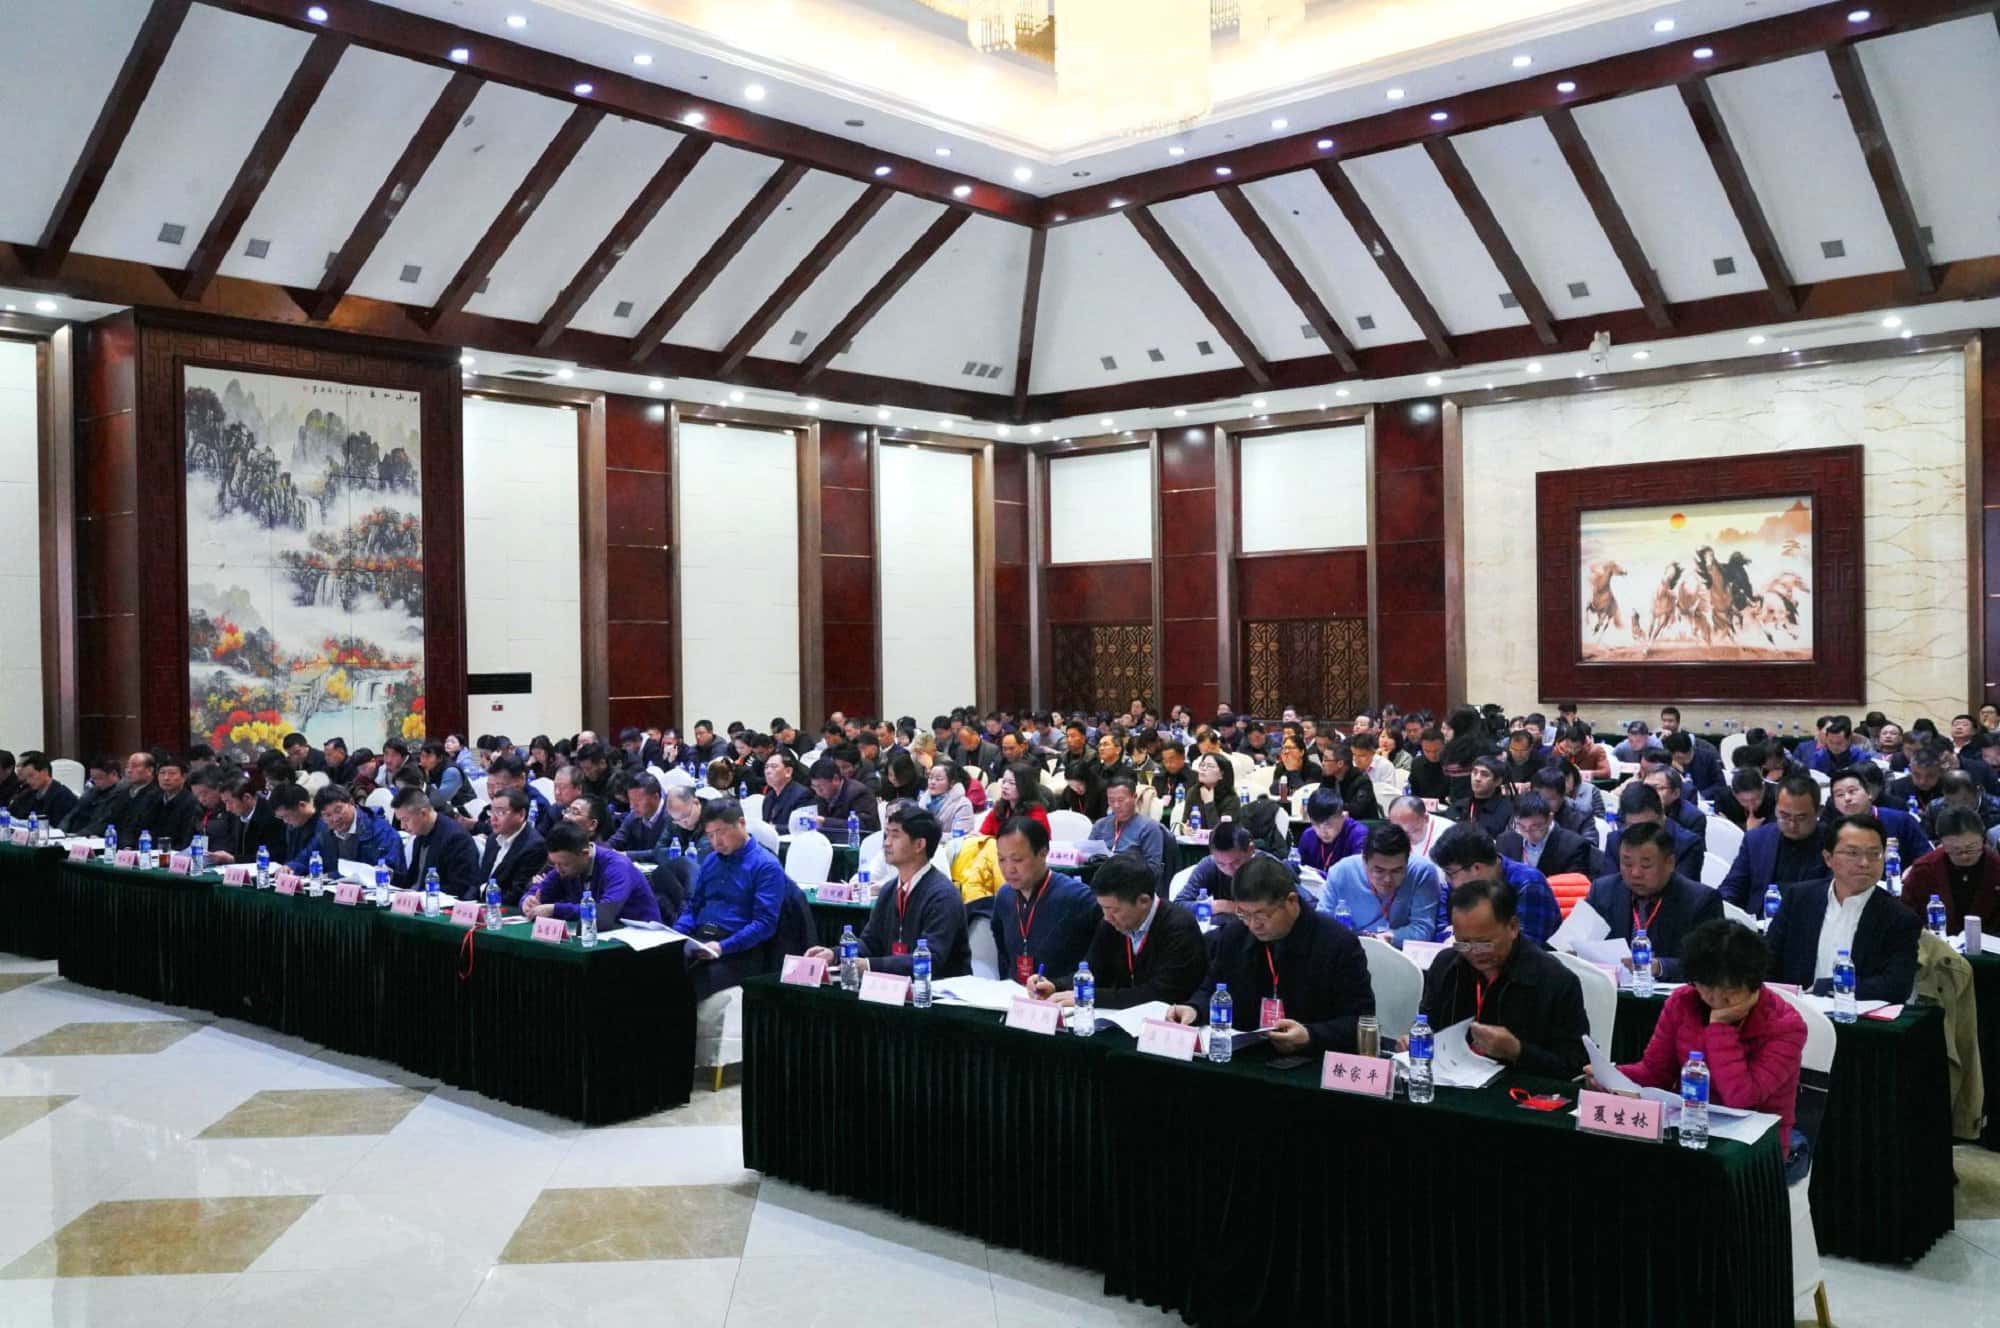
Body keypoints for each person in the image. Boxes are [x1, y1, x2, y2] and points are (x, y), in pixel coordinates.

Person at [1605, 919, 1809, 1174]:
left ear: (1753, 982)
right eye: (1707, 987)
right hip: (1689, 1129)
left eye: (1730, 990)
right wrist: (1611, 1075)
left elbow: (1741, 1098)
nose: (1716, 998)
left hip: (1754, 1150)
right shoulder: (1683, 1002)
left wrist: (1720, 1026)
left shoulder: (1785, 1026)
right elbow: (1655, 1072)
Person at [1168, 855, 1375, 1054]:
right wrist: (1195, 1009)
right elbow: (1212, 988)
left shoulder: (1337, 943)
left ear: (1291, 901)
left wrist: (1310, 1035)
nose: (1253, 925)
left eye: (1262, 915)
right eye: (1244, 914)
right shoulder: (1234, 936)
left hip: (1312, 1058)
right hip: (1247, 1055)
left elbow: (1361, 1021)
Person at [1417, 876, 1590, 1077]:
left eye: (1484, 943)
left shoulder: (1556, 980)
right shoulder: (1446, 965)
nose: (1474, 952)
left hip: (1519, 1087)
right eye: (1463, 943)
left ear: (1513, 927)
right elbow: (1427, 1025)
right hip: (1451, 1080)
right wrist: (1417, 1040)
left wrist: (1518, 1051)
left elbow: (1576, 1065)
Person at [1765, 812, 1920, 1000]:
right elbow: (1766, 962)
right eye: (1853, 853)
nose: (1864, 863)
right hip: (1795, 1009)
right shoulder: (1799, 899)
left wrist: (1828, 988)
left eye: (1875, 854)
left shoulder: (1900, 917)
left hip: (1858, 1014)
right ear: (1828, 858)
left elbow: (1897, 986)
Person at [1026, 853, 1208, 1010]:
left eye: (1113, 909)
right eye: (1103, 908)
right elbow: (1093, 972)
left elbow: (1160, 994)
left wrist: (1092, 997)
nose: (1107, 917)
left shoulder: (1179, 927)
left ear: (1143, 901)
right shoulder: (1111, 923)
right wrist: (1055, 986)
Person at [805, 804, 969, 979]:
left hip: (940, 989)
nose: (886, 843)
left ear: (919, 844)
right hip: (896, 986)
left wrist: (869, 965)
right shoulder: (889, 890)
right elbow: (870, 944)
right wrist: (835, 954)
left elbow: (930, 959)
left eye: (895, 836)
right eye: (886, 835)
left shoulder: (942, 895)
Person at [668, 798, 789, 998]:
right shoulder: (711, 860)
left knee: (690, 984)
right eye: (710, 835)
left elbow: (765, 923)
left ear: (741, 823)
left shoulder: (766, 865)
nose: (716, 842)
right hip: (701, 940)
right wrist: (676, 934)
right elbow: (694, 907)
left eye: (721, 832)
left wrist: (723, 947)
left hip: (739, 951)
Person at [1577, 821, 1722, 981]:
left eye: (1646, 866)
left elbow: (1711, 964)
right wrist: (1572, 952)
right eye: (1627, 864)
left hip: (1669, 993)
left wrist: (1659, 967)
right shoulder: (1602, 891)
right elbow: (1573, 942)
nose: (1635, 873)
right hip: (1611, 989)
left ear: (1670, 863)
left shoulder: (1701, 901)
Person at [990, 816, 1100, 985]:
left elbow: (1100, 963)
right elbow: (1003, 954)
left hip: (1062, 994)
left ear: (1042, 853)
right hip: (1016, 993)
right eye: (1002, 859)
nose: (1009, 869)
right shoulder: (1005, 896)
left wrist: (1060, 986)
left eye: (1017, 860)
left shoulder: (1078, 898)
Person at [1428, 823, 1562, 945]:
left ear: (1476, 868)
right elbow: (1439, 933)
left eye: (1450, 872)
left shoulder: (1529, 884)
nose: (1447, 879)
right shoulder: (1455, 885)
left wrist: (1463, 941)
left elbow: (1524, 946)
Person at [1719, 773, 1829, 910]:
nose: (1792, 825)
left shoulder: (1833, 843)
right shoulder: (1757, 839)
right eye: (1784, 815)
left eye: (1801, 818)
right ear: (1775, 808)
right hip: (1757, 918)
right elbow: (1733, 886)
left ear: (1818, 812)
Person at [522, 821, 661, 930]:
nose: (558, 870)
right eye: (554, 864)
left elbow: (603, 913)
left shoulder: (618, 866)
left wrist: (555, 909)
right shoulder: (565, 864)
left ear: (585, 854)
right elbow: (539, 891)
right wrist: (527, 901)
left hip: (640, 938)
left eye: (564, 864)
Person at [1320, 823, 1442, 946]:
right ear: (1364, 861)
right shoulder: (1341, 872)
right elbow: (1322, 925)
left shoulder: (1422, 872)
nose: (1387, 879)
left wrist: (1391, 937)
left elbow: (1423, 928)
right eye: (1379, 871)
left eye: (1396, 871)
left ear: (1407, 860)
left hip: (1401, 951)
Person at [1900, 807, 2000, 934]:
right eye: (1956, 850)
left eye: (1971, 848)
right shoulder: (1924, 870)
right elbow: (1906, 917)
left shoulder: (1996, 866)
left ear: (1983, 839)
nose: (1964, 856)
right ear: (1942, 844)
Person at [286, 784, 404, 875]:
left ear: (351, 803)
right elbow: (305, 858)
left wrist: (334, 876)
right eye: (327, 815)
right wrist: (290, 867)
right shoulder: (325, 832)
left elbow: (386, 871)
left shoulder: (380, 831)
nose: (335, 818)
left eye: (338, 810)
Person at [1602, 782, 1705, 883]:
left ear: (1662, 814)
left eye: (1648, 826)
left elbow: (1682, 890)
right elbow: (1608, 887)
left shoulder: (1688, 844)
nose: (1642, 834)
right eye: (1634, 827)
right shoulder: (1615, 840)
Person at [1826, 765, 1931, 861]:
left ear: (1869, 793)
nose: (1847, 798)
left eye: (1852, 791)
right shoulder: (1833, 830)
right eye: (1840, 795)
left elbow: (1927, 860)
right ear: (1835, 803)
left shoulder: (1902, 820)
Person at [391, 785, 480, 895]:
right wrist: (390, 875)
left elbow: (461, 888)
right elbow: (413, 880)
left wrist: (422, 895)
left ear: (423, 813)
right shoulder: (420, 836)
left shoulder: (456, 839)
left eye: (405, 820)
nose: (402, 826)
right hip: (418, 898)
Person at [475, 788, 550, 908]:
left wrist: (483, 898)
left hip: (505, 909)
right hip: (481, 905)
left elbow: (517, 893)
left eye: (500, 812)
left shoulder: (535, 846)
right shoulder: (493, 839)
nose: (493, 818)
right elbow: (481, 879)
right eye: (491, 812)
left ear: (521, 815)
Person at [1497, 795, 1602, 879]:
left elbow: (1574, 888)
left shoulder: (1574, 846)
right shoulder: (1505, 841)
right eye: (1521, 826)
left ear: (1549, 819)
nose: (1528, 833)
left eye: (1535, 827)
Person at [1089, 774, 1167, 880]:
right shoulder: (1100, 825)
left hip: (1132, 884)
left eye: (1121, 800)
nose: (1116, 805)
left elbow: (1153, 869)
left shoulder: (1149, 828)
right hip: (1100, 882)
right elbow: (1087, 856)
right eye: (1111, 800)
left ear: (1134, 797)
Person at [201, 774, 288, 866]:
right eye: (225, 803)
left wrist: (234, 859)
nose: (228, 808)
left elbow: (274, 856)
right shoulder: (238, 815)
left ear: (247, 798)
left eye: (230, 802)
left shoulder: (272, 817)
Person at [1296, 787, 1367, 873]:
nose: (1323, 831)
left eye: (1328, 824)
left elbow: (1359, 874)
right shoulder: (1308, 835)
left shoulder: (1358, 835)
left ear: (1343, 816)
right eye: (1316, 824)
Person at [808, 756, 880, 834]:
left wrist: (826, 822)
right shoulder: (821, 795)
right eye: (814, 787)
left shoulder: (859, 793)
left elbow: (864, 825)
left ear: (835, 779)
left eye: (820, 787)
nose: (818, 792)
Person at [978, 762, 1051, 837]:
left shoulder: (1036, 813)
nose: (1005, 786)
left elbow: (1032, 842)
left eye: (1012, 783)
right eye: (1004, 781)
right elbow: (983, 834)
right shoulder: (999, 808)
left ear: (1025, 786)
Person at [607, 773, 672, 855]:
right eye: (631, 800)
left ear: (655, 797)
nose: (632, 806)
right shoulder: (634, 815)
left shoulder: (673, 816)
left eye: (638, 801)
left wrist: (625, 854)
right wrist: (596, 850)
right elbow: (616, 840)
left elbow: (659, 853)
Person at [6, 752, 78, 825]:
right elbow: (13, 813)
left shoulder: (63, 796)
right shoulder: (30, 793)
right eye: (26, 777)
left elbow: (59, 826)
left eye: (31, 776)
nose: (28, 781)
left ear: (45, 772)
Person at [920, 761, 976, 838]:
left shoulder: (963, 804)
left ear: (952, 783)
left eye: (938, 779)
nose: (932, 782)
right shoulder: (924, 799)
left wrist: (927, 836)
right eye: (930, 778)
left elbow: (960, 836)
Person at [760, 753, 812, 830]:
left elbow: (803, 827)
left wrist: (772, 828)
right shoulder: (769, 797)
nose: (768, 771)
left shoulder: (802, 795)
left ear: (788, 771)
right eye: (766, 767)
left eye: (774, 767)